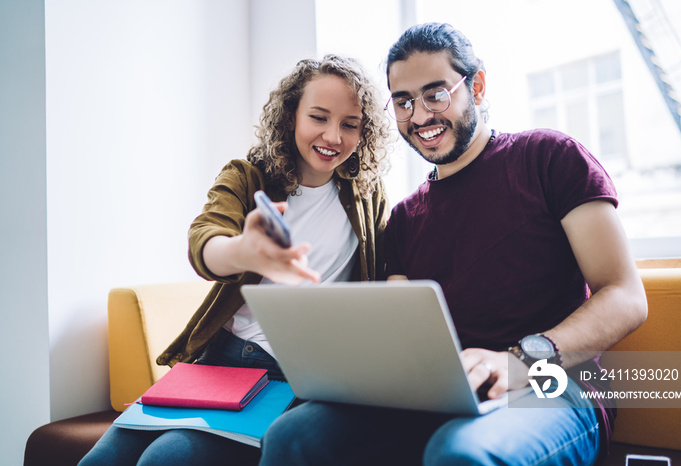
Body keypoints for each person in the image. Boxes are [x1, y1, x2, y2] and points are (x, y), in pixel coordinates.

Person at [259, 23, 648, 466]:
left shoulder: (549, 157)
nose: (420, 115)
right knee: (293, 436)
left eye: (435, 93)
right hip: (443, 396)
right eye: (403, 102)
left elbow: (626, 296)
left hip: (552, 385)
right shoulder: (404, 220)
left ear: (476, 86)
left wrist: (520, 361)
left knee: (459, 453)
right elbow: (402, 338)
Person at [78, 54, 390, 466]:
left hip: (292, 373)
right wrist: (242, 250)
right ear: (291, 115)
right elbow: (205, 240)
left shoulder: (367, 194)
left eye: (350, 124)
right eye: (318, 117)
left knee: (165, 460)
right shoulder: (247, 177)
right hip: (221, 358)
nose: (333, 136)